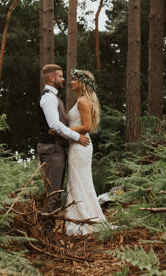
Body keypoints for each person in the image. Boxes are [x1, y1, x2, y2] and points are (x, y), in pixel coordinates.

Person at [37, 64, 90, 234]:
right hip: (51, 148)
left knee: (54, 190)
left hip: (56, 148)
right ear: (51, 78)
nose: (63, 79)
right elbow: (54, 125)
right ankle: (46, 233)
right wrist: (77, 137)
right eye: (60, 76)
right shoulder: (49, 98)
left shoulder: (54, 97)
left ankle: (47, 229)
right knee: (53, 192)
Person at [63, 69, 107, 236]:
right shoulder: (80, 100)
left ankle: (84, 220)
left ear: (81, 83)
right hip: (78, 145)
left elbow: (87, 127)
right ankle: (80, 218)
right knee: (78, 181)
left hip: (80, 146)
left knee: (80, 182)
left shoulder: (82, 101)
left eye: (74, 79)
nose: (71, 82)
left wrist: (64, 130)